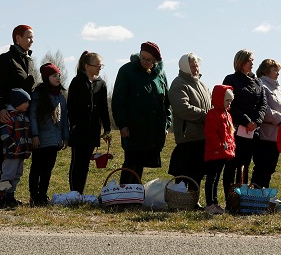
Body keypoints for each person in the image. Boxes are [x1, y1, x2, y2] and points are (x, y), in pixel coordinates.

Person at [111, 41, 170, 184]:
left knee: (142, 161)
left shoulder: (160, 75)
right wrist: (122, 124)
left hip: (152, 128)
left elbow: (166, 102)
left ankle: (135, 193)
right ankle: (124, 193)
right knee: (131, 161)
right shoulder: (127, 71)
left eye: (149, 60)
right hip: (133, 126)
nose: (144, 61)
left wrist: (167, 124)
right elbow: (118, 100)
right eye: (142, 57)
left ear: (155, 61)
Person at [0, 25, 36, 187]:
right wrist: (0, 108)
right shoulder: (6, 59)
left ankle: (7, 190)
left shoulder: (26, 59)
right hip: (5, 111)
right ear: (18, 38)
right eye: (28, 37)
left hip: (20, 112)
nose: (31, 41)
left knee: (16, 149)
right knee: (2, 147)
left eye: (32, 37)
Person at [222, 49, 267, 196]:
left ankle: (243, 195)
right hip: (235, 129)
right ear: (241, 62)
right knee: (232, 164)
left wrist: (256, 122)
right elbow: (230, 105)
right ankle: (230, 197)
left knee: (245, 164)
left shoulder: (257, 81)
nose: (252, 63)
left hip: (253, 131)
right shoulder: (231, 80)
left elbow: (263, 104)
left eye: (253, 60)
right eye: (249, 61)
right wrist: (246, 121)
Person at [67, 51, 111, 194]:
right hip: (78, 130)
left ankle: (80, 192)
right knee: (77, 161)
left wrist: (107, 128)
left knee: (85, 162)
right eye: (97, 65)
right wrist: (72, 125)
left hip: (93, 130)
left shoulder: (101, 84)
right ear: (87, 66)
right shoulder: (76, 82)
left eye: (101, 65)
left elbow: (104, 108)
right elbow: (71, 107)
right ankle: (74, 192)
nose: (99, 67)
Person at [168, 53, 212, 193]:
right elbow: (182, 108)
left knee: (197, 171)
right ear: (185, 67)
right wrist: (206, 116)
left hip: (202, 136)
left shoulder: (203, 85)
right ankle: (179, 198)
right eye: (192, 66)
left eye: (197, 65)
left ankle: (193, 198)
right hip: (188, 137)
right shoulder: (178, 83)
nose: (196, 69)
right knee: (183, 170)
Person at [28, 62, 68, 206]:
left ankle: (43, 195)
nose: (57, 78)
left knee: (47, 170)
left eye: (58, 75)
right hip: (40, 140)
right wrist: (34, 135)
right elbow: (32, 116)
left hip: (54, 140)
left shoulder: (61, 98)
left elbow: (64, 119)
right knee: (36, 168)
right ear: (46, 77)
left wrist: (65, 137)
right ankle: (34, 195)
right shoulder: (38, 96)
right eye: (54, 75)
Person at [252, 59, 281, 188]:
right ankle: (255, 196)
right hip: (265, 135)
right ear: (266, 70)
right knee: (262, 167)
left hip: (277, 136)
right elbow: (263, 109)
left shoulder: (279, 89)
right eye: (275, 70)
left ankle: (263, 196)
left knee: (270, 168)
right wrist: (279, 118)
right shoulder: (261, 85)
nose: (278, 73)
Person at [0, 88, 33, 208]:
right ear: (17, 102)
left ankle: (11, 195)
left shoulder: (25, 117)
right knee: (8, 174)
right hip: (11, 154)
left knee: (17, 174)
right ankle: (2, 196)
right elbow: (5, 134)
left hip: (21, 153)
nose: (28, 104)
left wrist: (28, 148)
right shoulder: (10, 117)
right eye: (26, 102)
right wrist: (13, 146)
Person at [203, 84, 235, 215]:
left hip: (223, 152)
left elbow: (230, 134)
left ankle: (215, 202)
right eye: (227, 100)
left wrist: (231, 147)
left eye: (230, 101)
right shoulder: (213, 114)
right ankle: (210, 202)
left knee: (217, 177)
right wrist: (219, 146)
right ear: (219, 99)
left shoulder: (227, 115)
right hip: (215, 152)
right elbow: (211, 133)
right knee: (212, 178)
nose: (229, 103)